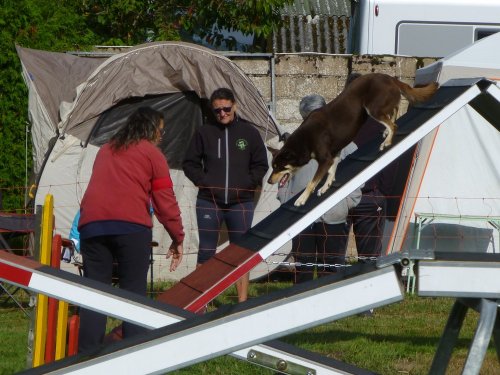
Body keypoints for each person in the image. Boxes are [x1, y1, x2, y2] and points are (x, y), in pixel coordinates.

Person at [77, 107, 184, 352]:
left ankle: (85, 361)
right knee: (133, 294)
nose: (161, 136)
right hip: (131, 227)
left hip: (92, 227)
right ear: (150, 129)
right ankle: (134, 356)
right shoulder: (152, 153)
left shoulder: (105, 150)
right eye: (160, 131)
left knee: (94, 295)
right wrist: (177, 237)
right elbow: (164, 201)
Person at [183, 88, 269, 302]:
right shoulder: (204, 132)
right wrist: (204, 182)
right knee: (205, 251)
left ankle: (242, 302)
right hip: (209, 201)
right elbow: (189, 163)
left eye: (226, 109)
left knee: (241, 252)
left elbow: (261, 164)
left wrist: (249, 184)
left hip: (241, 202)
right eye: (217, 110)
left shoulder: (249, 133)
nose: (222, 113)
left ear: (235, 106)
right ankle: (199, 301)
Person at [277, 94, 362, 283]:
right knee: (303, 263)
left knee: (331, 265)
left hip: (333, 214)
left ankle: (330, 303)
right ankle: (301, 301)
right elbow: (282, 178)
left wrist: (347, 202)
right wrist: (287, 201)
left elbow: (358, 173)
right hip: (301, 215)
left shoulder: (344, 140)